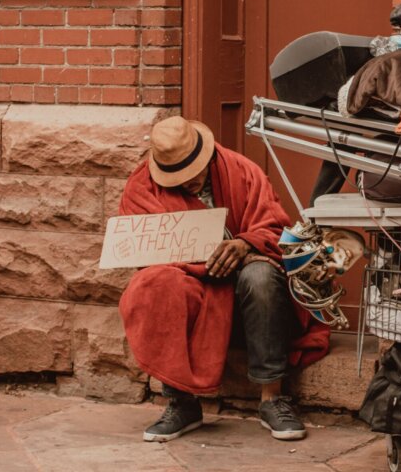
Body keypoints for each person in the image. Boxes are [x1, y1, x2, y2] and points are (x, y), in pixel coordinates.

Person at [117, 116, 330, 443]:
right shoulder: (142, 186)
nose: (188, 182)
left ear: (206, 157)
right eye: (177, 177)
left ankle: (272, 398)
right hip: (191, 290)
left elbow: (275, 230)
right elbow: (145, 252)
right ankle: (181, 402)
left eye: (193, 173)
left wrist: (244, 245)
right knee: (156, 283)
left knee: (260, 275)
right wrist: (203, 265)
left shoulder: (242, 171)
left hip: (249, 302)